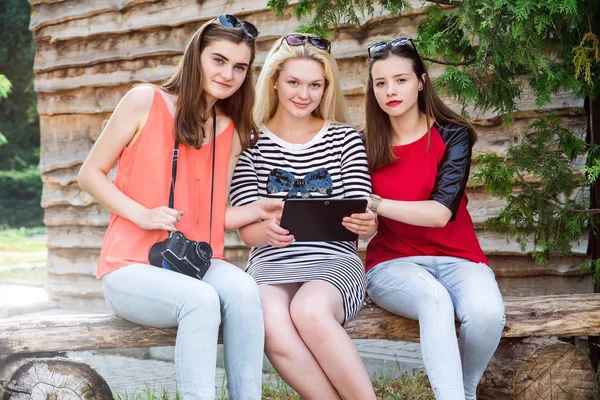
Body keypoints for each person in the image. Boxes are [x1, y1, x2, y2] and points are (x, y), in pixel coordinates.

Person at [78, 15, 282, 400]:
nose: (228, 74)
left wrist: (260, 209)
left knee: (243, 290)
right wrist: (141, 214)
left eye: (240, 67)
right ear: (196, 57)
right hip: (130, 267)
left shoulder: (230, 129)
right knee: (201, 300)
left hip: (194, 264)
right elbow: (90, 174)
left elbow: (209, 216)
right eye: (218, 60)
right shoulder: (144, 101)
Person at [352, 37, 506, 400]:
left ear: (421, 81)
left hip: (460, 259)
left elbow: (440, 213)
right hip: (393, 264)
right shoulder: (363, 145)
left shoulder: (453, 136)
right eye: (380, 82)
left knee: (486, 313)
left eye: (401, 80)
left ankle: (464, 392)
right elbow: (358, 216)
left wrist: (375, 204)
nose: (390, 90)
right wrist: (366, 219)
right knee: (435, 299)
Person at [229, 33, 377, 400]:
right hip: (271, 262)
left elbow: (359, 208)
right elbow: (248, 232)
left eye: (315, 85)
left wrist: (369, 223)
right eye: (293, 82)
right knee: (271, 321)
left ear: (326, 88)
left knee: (309, 310)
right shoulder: (249, 143)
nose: (303, 94)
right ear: (275, 80)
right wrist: (269, 233)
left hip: (333, 260)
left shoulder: (344, 139)